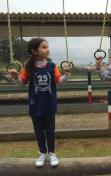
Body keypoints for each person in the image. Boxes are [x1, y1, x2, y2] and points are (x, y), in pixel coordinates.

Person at [9, 38, 70, 167]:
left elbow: (59, 81)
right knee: (38, 131)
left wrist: (66, 75)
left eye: (47, 47)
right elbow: (21, 83)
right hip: (35, 104)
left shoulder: (52, 66)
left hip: (49, 103)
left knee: (50, 131)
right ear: (34, 51)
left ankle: (52, 153)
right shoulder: (28, 67)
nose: (47, 49)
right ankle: (42, 153)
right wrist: (15, 77)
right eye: (43, 47)